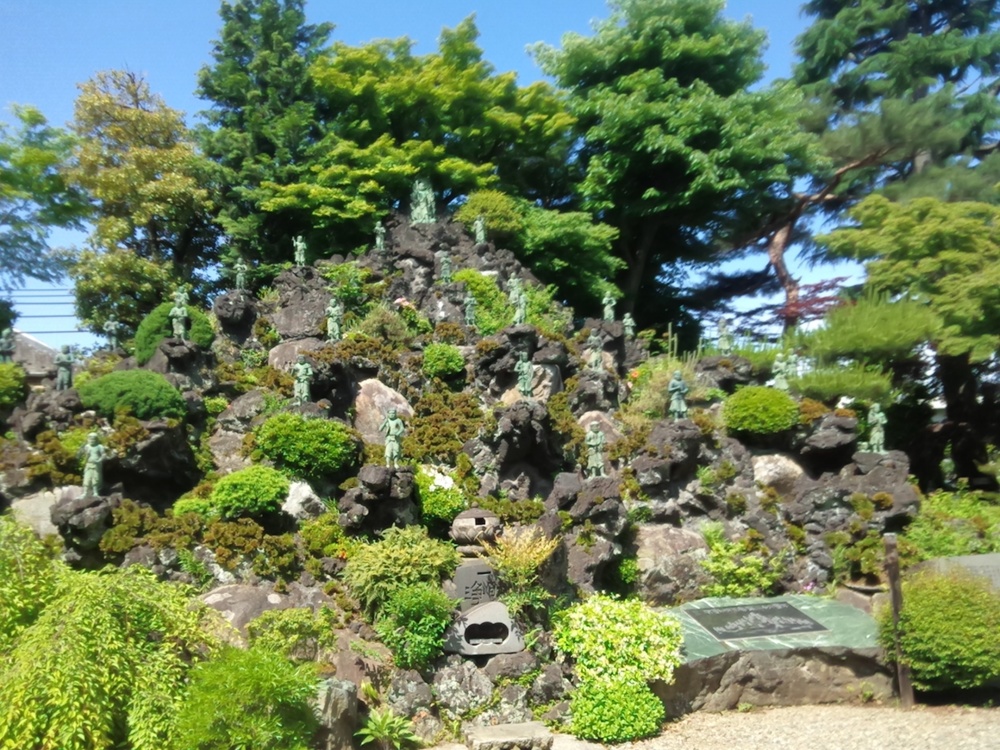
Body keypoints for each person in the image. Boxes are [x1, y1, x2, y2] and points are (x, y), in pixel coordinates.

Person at [79, 433, 107, 498]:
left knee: (96, 478)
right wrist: (87, 454)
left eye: (93, 439)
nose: (91, 441)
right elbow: (85, 456)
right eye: (90, 439)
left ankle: (95, 492)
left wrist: (99, 461)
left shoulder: (99, 446)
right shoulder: (87, 446)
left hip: (96, 465)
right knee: (87, 478)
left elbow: (104, 455)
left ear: (96, 440)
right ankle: (85, 492)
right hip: (89, 464)